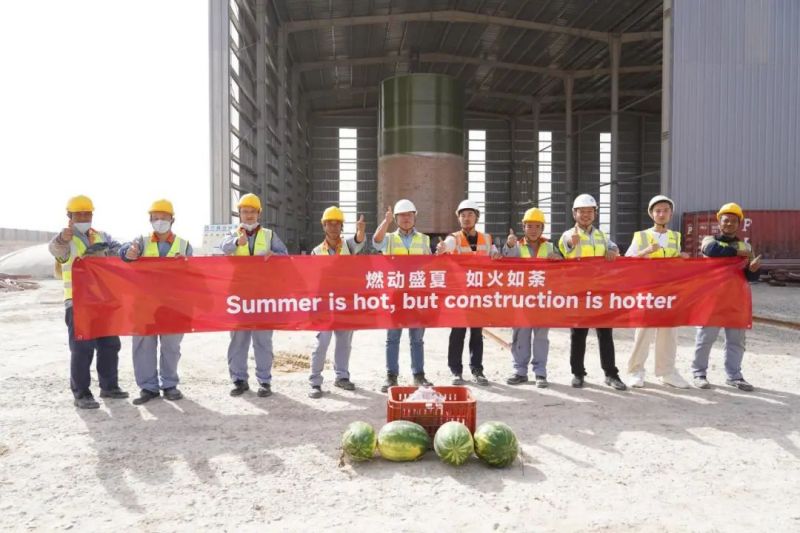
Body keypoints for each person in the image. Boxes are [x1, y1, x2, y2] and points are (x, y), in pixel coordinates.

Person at [49, 195, 128, 409]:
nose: (84, 218)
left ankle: (109, 386)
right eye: (79, 214)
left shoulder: (102, 236)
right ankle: (81, 393)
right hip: (78, 302)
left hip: (104, 301)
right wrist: (61, 239)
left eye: (87, 214)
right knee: (82, 348)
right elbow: (55, 250)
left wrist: (130, 250)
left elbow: (120, 250)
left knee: (110, 345)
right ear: (70, 216)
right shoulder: (65, 239)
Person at [120, 199, 193, 404]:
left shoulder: (184, 245)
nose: (160, 221)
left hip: (173, 305)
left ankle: (170, 385)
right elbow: (124, 253)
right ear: (150, 220)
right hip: (144, 305)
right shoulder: (141, 242)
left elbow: (193, 275)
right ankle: (148, 388)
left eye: (164, 217)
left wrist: (185, 265)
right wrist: (127, 253)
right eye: (156, 217)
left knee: (171, 347)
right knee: (143, 346)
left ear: (172, 220)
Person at [220, 193, 289, 398]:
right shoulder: (232, 234)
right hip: (239, 298)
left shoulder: (269, 235)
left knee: (263, 341)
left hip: (263, 298)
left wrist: (275, 256)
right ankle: (239, 380)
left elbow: (285, 256)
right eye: (245, 212)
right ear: (239, 214)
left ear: (259, 213)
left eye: (252, 212)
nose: (249, 215)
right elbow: (223, 249)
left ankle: (264, 381)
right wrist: (237, 242)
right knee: (238, 341)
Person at [558, 194, 627, 391]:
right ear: (574, 214)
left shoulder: (602, 236)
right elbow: (564, 248)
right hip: (579, 293)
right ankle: (578, 373)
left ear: (595, 214)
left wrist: (613, 250)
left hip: (600, 292)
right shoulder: (568, 235)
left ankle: (611, 374)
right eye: (582, 211)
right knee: (578, 335)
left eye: (590, 211)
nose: (586, 215)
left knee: (605, 334)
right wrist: (571, 243)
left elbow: (613, 247)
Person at [691, 202, 761, 391]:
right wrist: (737, 253)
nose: (729, 223)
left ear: (739, 224)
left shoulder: (746, 246)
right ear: (719, 222)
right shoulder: (709, 240)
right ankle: (699, 374)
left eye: (733, 221)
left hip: (736, 301)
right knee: (705, 338)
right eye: (726, 220)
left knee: (736, 341)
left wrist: (754, 270)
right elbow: (712, 251)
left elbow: (751, 277)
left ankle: (734, 376)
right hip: (711, 299)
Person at [625, 195, 691, 389]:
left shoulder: (675, 237)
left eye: (665, 210)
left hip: (669, 292)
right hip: (648, 291)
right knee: (643, 332)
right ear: (651, 214)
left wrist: (681, 258)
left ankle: (667, 372)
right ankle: (635, 371)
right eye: (658, 211)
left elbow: (674, 263)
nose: (662, 214)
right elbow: (628, 261)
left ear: (670, 213)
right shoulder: (641, 236)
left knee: (669, 332)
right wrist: (645, 251)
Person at [372, 199, 433, 392]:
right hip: (395, 295)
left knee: (417, 338)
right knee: (393, 337)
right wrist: (386, 221)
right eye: (402, 216)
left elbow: (431, 265)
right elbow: (376, 242)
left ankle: (419, 375)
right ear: (396, 219)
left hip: (417, 296)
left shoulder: (424, 239)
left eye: (409, 215)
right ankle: (391, 376)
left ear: (415, 217)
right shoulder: (389, 238)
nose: (406, 218)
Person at [436, 199, 498, 386]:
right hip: (460, 296)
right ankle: (456, 371)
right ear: (458, 218)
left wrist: (497, 254)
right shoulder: (454, 238)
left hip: (479, 296)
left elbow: (494, 253)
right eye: (463, 215)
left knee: (477, 334)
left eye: (470, 214)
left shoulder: (487, 239)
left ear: (477, 217)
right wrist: (442, 248)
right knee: (458, 333)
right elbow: (447, 245)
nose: (466, 218)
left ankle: (477, 370)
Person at [307, 206, 366, 399]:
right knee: (321, 343)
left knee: (344, 343)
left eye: (337, 224)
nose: (333, 227)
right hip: (325, 305)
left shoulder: (349, 246)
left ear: (342, 226)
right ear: (323, 226)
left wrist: (360, 231)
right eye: (329, 224)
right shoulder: (316, 251)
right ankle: (315, 382)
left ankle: (342, 376)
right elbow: (312, 280)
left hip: (345, 303)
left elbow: (359, 240)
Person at [502, 207, 562, 388]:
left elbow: (562, 268)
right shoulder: (517, 246)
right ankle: (520, 371)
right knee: (521, 336)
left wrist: (558, 259)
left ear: (542, 228)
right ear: (523, 227)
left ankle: (540, 373)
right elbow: (506, 260)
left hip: (543, 300)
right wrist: (509, 245)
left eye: (537, 226)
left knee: (541, 337)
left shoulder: (550, 247)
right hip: (522, 300)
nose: (533, 230)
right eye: (529, 226)